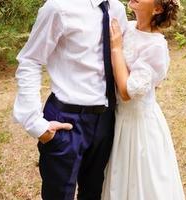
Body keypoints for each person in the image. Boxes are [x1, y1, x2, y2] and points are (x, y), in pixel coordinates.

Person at [12, 0, 128, 199]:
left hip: (106, 120)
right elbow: (30, 60)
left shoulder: (117, 8)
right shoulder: (58, 7)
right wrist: (35, 123)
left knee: (95, 194)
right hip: (66, 121)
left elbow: (123, 57)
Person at [101, 0, 185, 199]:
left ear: (157, 9)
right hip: (117, 118)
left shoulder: (156, 46)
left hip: (139, 127)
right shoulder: (128, 27)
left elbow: (126, 91)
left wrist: (116, 49)